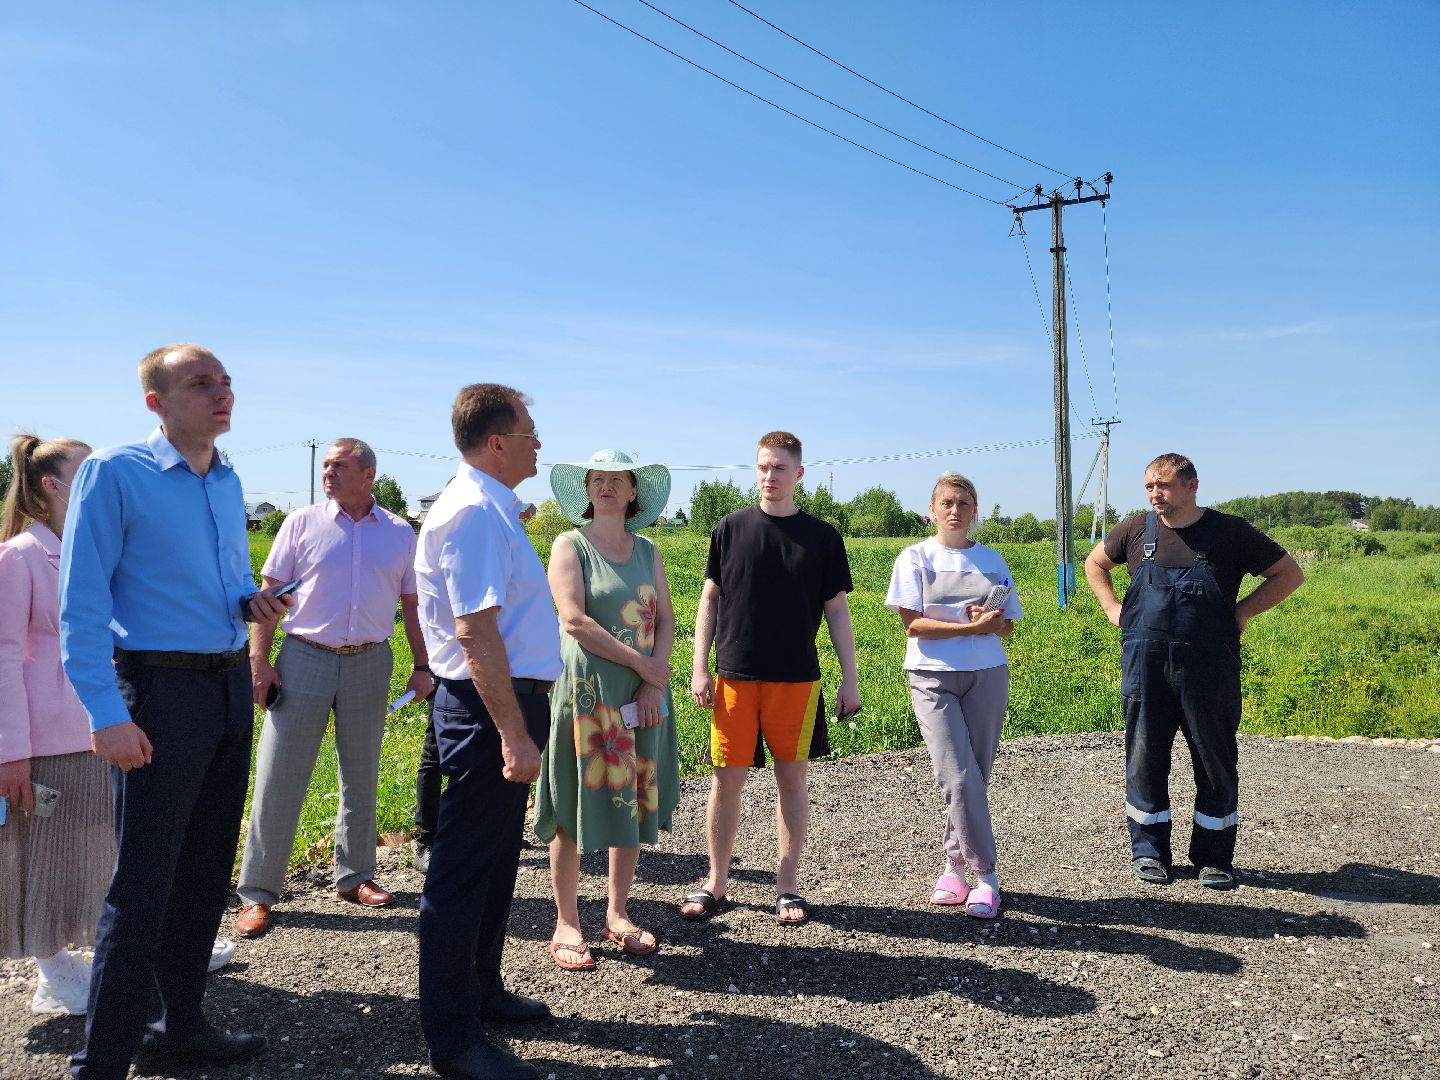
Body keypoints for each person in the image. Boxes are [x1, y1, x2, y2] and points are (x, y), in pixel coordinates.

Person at [59, 344, 292, 1078]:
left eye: (225, 382)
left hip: (225, 690)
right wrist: (105, 710)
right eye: (200, 383)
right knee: (143, 883)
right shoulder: (115, 473)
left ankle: (182, 1024)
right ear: (155, 401)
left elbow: (211, 586)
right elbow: (82, 606)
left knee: (202, 872)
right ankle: (103, 1058)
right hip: (156, 693)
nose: (221, 393)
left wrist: (249, 603)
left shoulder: (226, 480)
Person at [414, 384, 560, 1080]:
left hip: (501, 704)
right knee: (462, 871)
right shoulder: (473, 513)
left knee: (496, 862)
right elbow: (475, 632)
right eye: (531, 434)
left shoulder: (493, 508)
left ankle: (481, 989)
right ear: (498, 442)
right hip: (485, 709)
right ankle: (452, 1038)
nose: (538, 444)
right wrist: (513, 734)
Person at [234, 438, 433, 939]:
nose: (327, 472)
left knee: (360, 770)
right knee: (280, 772)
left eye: (338, 465)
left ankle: (356, 876)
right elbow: (268, 595)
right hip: (304, 658)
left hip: (370, 659)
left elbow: (412, 603)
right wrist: (259, 660)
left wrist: (423, 665)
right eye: (325, 465)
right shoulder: (302, 522)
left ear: (367, 473)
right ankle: (258, 892)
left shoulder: (398, 532)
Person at [1084, 452, 1303, 889]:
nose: (1155, 494)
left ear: (1192, 485)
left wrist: (1241, 613)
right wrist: (1115, 610)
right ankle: (1150, 853)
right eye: (1149, 486)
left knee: (1214, 759)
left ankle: (1214, 857)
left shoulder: (1229, 532)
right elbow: (1095, 564)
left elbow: (1288, 574)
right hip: (1146, 667)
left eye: (1163, 485)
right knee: (1145, 757)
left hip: (1209, 667)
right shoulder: (1134, 530)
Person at [683, 431, 859, 927]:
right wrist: (699, 666)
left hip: (797, 681)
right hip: (734, 676)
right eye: (763, 467)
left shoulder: (823, 537)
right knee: (725, 781)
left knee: (792, 780)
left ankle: (787, 886)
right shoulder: (730, 528)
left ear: (798, 473)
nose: (770, 476)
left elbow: (837, 612)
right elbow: (710, 600)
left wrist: (851, 678)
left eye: (780, 468)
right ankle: (716, 882)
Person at [534, 450, 680, 970]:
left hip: (640, 695)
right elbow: (573, 620)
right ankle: (566, 922)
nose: (606, 487)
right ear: (587, 490)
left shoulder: (648, 550)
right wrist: (645, 667)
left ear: (634, 491)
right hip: (587, 696)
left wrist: (651, 681)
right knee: (574, 801)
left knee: (633, 802)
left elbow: (665, 620)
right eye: (598, 480)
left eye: (617, 480)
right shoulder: (569, 545)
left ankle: (617, 914)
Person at [0, 435, 108, 1016]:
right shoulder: (18, 556)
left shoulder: (84, 549)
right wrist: (9, 752)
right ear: (52, 485)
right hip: (44, 734)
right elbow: (2, 653)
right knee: (39, 851)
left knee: (93, 847)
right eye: (86, 472)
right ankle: (53, 970)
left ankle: (104, 951)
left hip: (94, 723)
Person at [884, 473, 1023, 919]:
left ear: (974, 510)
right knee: (957, 777)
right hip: (932, 675)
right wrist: (971, 628)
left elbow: (1009, 625)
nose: (955, 510)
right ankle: (987, 876)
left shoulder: (993, 561)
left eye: (964, 503)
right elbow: (913, 625)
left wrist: (992, 621)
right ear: (931, 509)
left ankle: (952, 867)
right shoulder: (914, 558)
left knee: (975, 778)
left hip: (987, 673)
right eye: (946, 502)